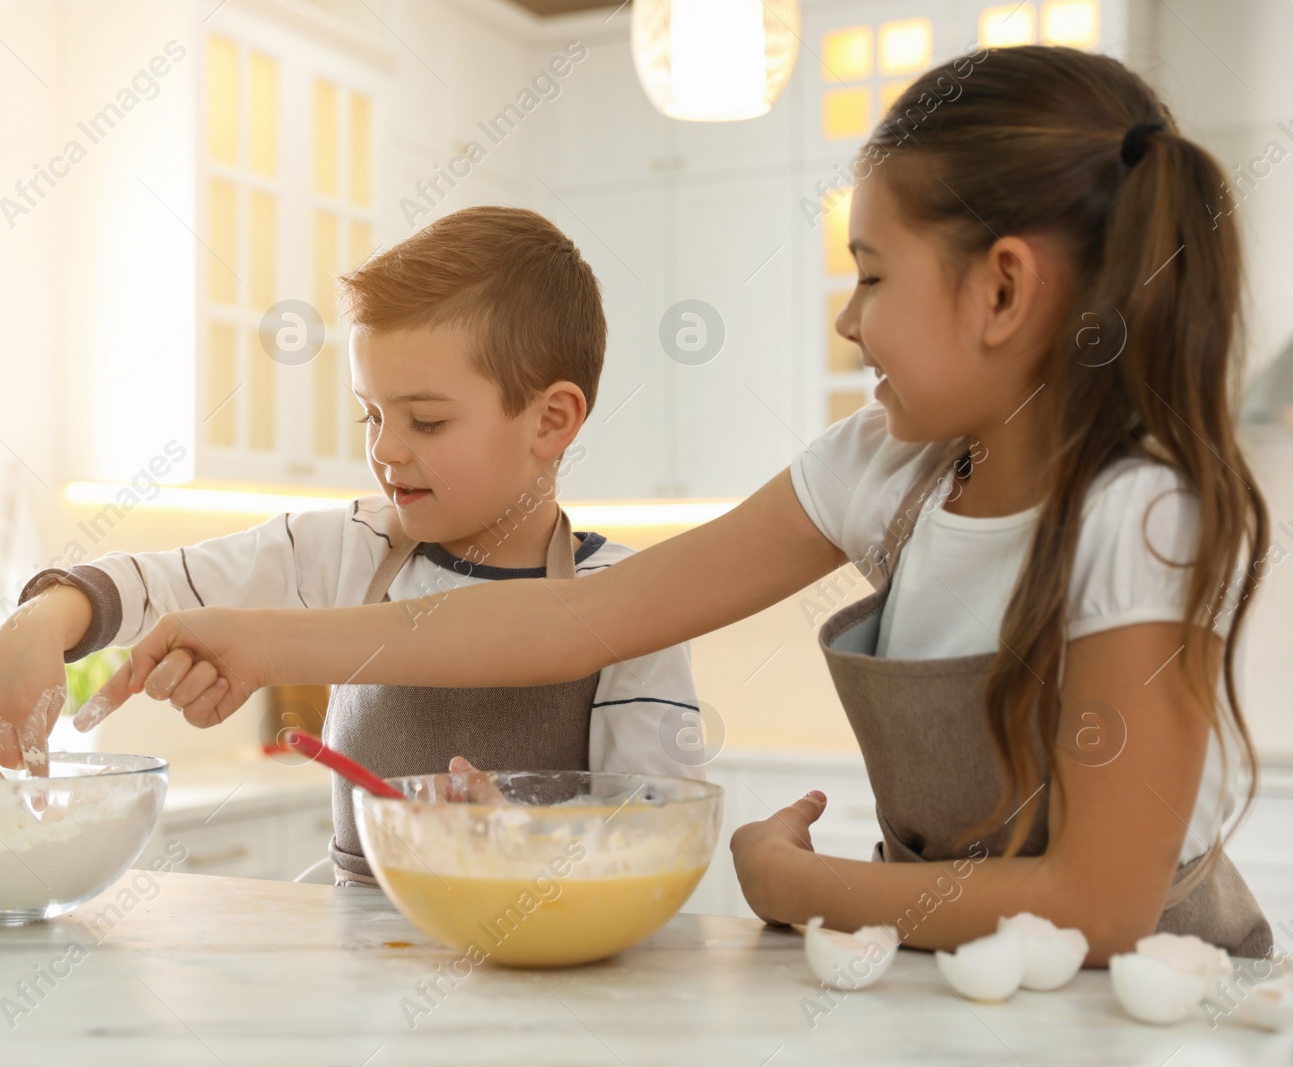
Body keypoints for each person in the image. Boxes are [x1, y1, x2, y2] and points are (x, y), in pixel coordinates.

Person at [102, 46, 1274, 960]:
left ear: (1003, 288)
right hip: (961, 986)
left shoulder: (1137, 515)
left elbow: (1100, 904)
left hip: (1137, 1006)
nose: (847, 319)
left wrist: (796, 882)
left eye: (869, 273)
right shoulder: (881, 471)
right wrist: (259, 635)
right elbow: (566, 621)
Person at [0, 206, 703, 886]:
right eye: (370, 416)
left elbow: (658, 832)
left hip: (547, 967)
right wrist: (43, 620)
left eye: (427, 422)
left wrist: (529, 842)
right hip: (363, 956)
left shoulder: (623, 602)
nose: (386, 452)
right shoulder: (350, 546)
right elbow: (166, 584)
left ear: (551, 421)